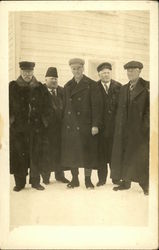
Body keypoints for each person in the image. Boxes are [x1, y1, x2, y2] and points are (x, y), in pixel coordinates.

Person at [61, 58, 102, 189]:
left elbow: (97, 106)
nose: (76, 71)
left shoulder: (92, 84)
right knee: (73, 153)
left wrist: (95, 125)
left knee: (87, 154)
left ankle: (88, 180)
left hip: (86, 125)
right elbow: (65, 107)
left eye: (79, 68)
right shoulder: (67, 86)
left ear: (83, 69)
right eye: (74, 68)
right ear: (71, 69)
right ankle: (74, 179)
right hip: (71, 126)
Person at [110, 61, 149, 195]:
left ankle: (145, 184)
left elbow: (151, 111)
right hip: (124, 129)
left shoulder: (147, 87)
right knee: (125, 155)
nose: (130, 73)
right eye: (128, 71)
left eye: (133, 70)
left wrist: (144, 127)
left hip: (139, 131)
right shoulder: (124, 89)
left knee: (140, 158)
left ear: (139, 71)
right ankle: (125, 182)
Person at [9, 61, 48, 191]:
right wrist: (11, 120)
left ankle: (36, 181)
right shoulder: (13, 87)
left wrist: (44, 121)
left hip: (36, 128)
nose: (27, 74)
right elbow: (5, 105)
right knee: (19, 155)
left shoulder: (40, 87)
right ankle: (20, 183)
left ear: (33, 72)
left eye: (30, 72)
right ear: (20, 72)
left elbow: (48, 107)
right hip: (18, 129)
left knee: (36, 154)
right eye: (25, 72)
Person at [40, 67, 69, 184]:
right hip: (45, 129)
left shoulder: (62, 91)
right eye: (52, 79)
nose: (54, 81)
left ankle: (59, 175)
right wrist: (44, 123)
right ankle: (46, 177)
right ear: (46, 79)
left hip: (60, 128)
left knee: (59, 152)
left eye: (56, 79)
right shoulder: (40, 91)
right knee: (46, 153)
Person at [96, 62, 122, 186]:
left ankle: (116, 178)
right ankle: (101, 179)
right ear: (99, 74)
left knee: (114, 153)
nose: (106, 75)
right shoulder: (94, 87)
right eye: (103, 73)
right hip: (100, 128)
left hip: (114, 127)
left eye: (108, 72)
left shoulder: (118, 86)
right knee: (101, 154)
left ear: (110, 73)